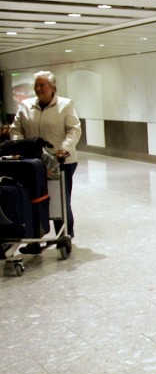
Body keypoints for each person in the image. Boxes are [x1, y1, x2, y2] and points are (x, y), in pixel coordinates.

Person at [10, 70, 82, 252]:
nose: (39, 89)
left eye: (43, 85)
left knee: (60, 198)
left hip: (61, 161)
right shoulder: (26, 105)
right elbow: (16, 129)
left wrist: (64, 148)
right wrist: (19, 147)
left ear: (53, 88)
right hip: (32, 163)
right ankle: (34, 240)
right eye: (36, 85)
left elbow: (74, 130)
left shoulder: (65, 105)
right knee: (32, 199)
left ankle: (65, 236)